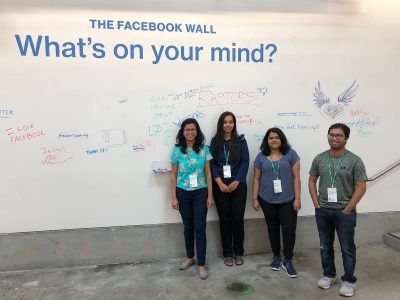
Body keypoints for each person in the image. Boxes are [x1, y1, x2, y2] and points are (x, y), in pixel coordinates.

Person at [309, 123, 367, 297]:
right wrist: (316, 204)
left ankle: (349, 280)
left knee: (347, 247)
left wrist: (348, 209)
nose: (334, 138)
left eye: (338, 135)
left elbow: (361, 187)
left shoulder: (354, 160)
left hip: (344, 212)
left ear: (346, 138)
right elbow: (312, 180)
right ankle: (329, 275)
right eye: (331, 135)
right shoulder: (319, 158)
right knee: (325, 246)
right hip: (323, 210)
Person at [252, 127, 301, 278]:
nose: (274, 140)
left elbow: (296, 177)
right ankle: (276, 257)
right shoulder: (260, 157)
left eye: (277, 137)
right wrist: (254, 198)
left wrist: (298, 198)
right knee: (272, 229)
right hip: (266, 199)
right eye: (271, 138)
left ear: (282, 139)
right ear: (267, 141)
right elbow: (256, 179)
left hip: (287, 199)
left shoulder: (291, 154)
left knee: (289, 230)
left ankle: (288, 260)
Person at [170, 118, 214, 280]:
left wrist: (210, 195)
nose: (190, 132)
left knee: (200, 228)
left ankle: (201, 264)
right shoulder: (177, 151)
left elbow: (208, 173)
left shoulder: (204, 150)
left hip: (200, 192)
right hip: (182, 192)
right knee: (188, 227)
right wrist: (174, 197)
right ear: (182, 132)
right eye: (187, 129)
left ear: (197, 131)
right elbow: (173, 175)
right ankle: (190, 257)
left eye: (193, 129)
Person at [210, 112, 250, 266]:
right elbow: (212, 163)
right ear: (221, 124)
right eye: (225, 122)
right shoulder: (215, 141)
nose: (228, 125)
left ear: (234, 124)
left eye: (231, 122)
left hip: (238, 187)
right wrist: (219, 182)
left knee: (237, 220)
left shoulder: (241, 141)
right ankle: (227, 253)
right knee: (224, 220)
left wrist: (237, 181)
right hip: (220, 187)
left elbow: (245, 162)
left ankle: (239, 252)